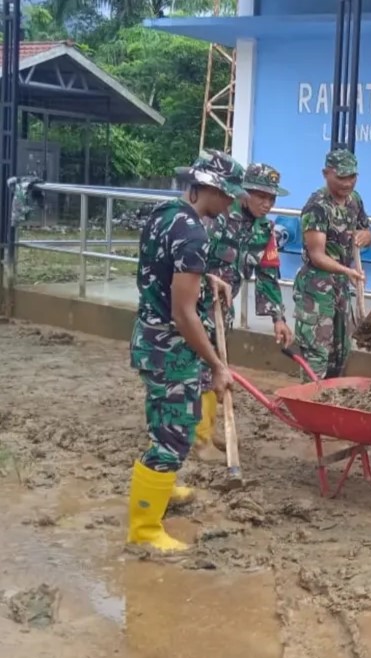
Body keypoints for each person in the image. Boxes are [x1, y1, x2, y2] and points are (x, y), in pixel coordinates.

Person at [127, 149, 246, 553]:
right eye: (227, 194)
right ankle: (144, 530)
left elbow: (161, 267)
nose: (231, 202)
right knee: (172, 436)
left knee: (166, 422)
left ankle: (165, 486)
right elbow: (183, 312)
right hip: (172, 347)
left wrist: (206, 275)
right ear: (207, 187)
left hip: (150, 336)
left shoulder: (165, 213)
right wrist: (216, 364)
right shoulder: (193, 232)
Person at [193, 163, 295, 455]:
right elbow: (190, 259)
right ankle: (198, 439)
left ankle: (206, 432)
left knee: (215, 369)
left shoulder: (265, 230)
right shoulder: (219, 217)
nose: (267, 203)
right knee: (198, 369)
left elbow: (267, 274)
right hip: (193, 306)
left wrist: (278, 318)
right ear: (244, 191)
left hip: (221, 310)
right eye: (261, 195)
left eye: (272, 198)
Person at [292, 149, 371, 380]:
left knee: (340, 353)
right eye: (341, 177)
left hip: (341, 287)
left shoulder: (354, 200)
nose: (348, 183)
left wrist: (365, 236)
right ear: (326, 173)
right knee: (317, 354)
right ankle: (310, 407)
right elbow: (317, 255)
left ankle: (330, 409)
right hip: (315, 288)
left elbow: (366, 229)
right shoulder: (316, 207)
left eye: (352, 177)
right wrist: (349, 271)